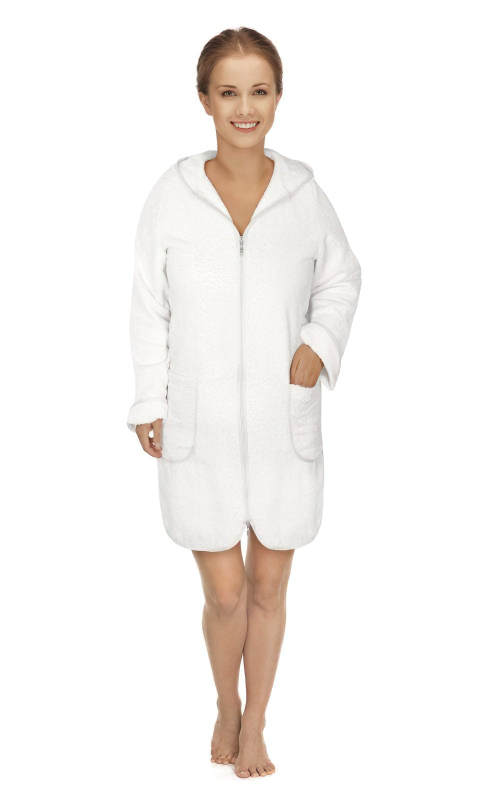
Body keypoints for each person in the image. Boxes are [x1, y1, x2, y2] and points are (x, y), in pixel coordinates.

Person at [126, 26, 362, 779]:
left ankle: (255, 722)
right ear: (204, 100)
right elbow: (148, 304)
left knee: (268, 583)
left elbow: (342, 277)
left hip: (279, 419)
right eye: (228, 91)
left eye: (259, 90)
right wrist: (148, 399)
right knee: (225, 593)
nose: (244, 107)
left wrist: (316, 346)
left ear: (278, 97)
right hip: (199, 421)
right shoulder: (172, 196)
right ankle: (223, 703)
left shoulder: (303, 194)